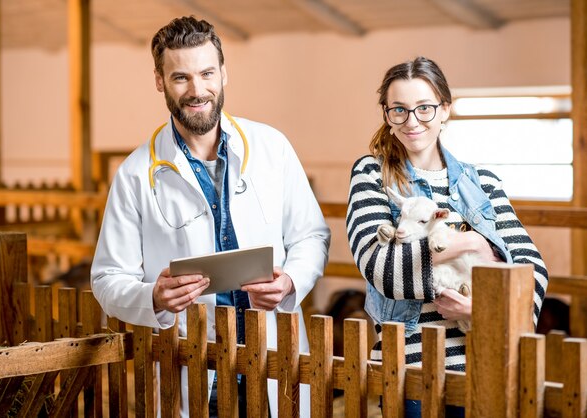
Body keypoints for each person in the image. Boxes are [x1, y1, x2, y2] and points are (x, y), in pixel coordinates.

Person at [91, 16, 330, 417]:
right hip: (196, 364)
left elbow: (312, 236)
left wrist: (290, 280)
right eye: (181, 77)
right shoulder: (135, 174)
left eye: (207, 73)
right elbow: (107, 278)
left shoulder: (273, 147)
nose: (197, 90)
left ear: (224, 72)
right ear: (159, 81)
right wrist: (152, 296)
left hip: (272, 354)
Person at [345, 57, 548, 417]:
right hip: (412, 365)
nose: (412, 121)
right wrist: (470, 243)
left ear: (445, 111)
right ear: (387, 115)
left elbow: (532, 268)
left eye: (424, 108)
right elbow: (380, 268)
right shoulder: (372, 175)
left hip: (484, 357)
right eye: (400, 110)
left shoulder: (482, 182)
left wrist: (482, 310)